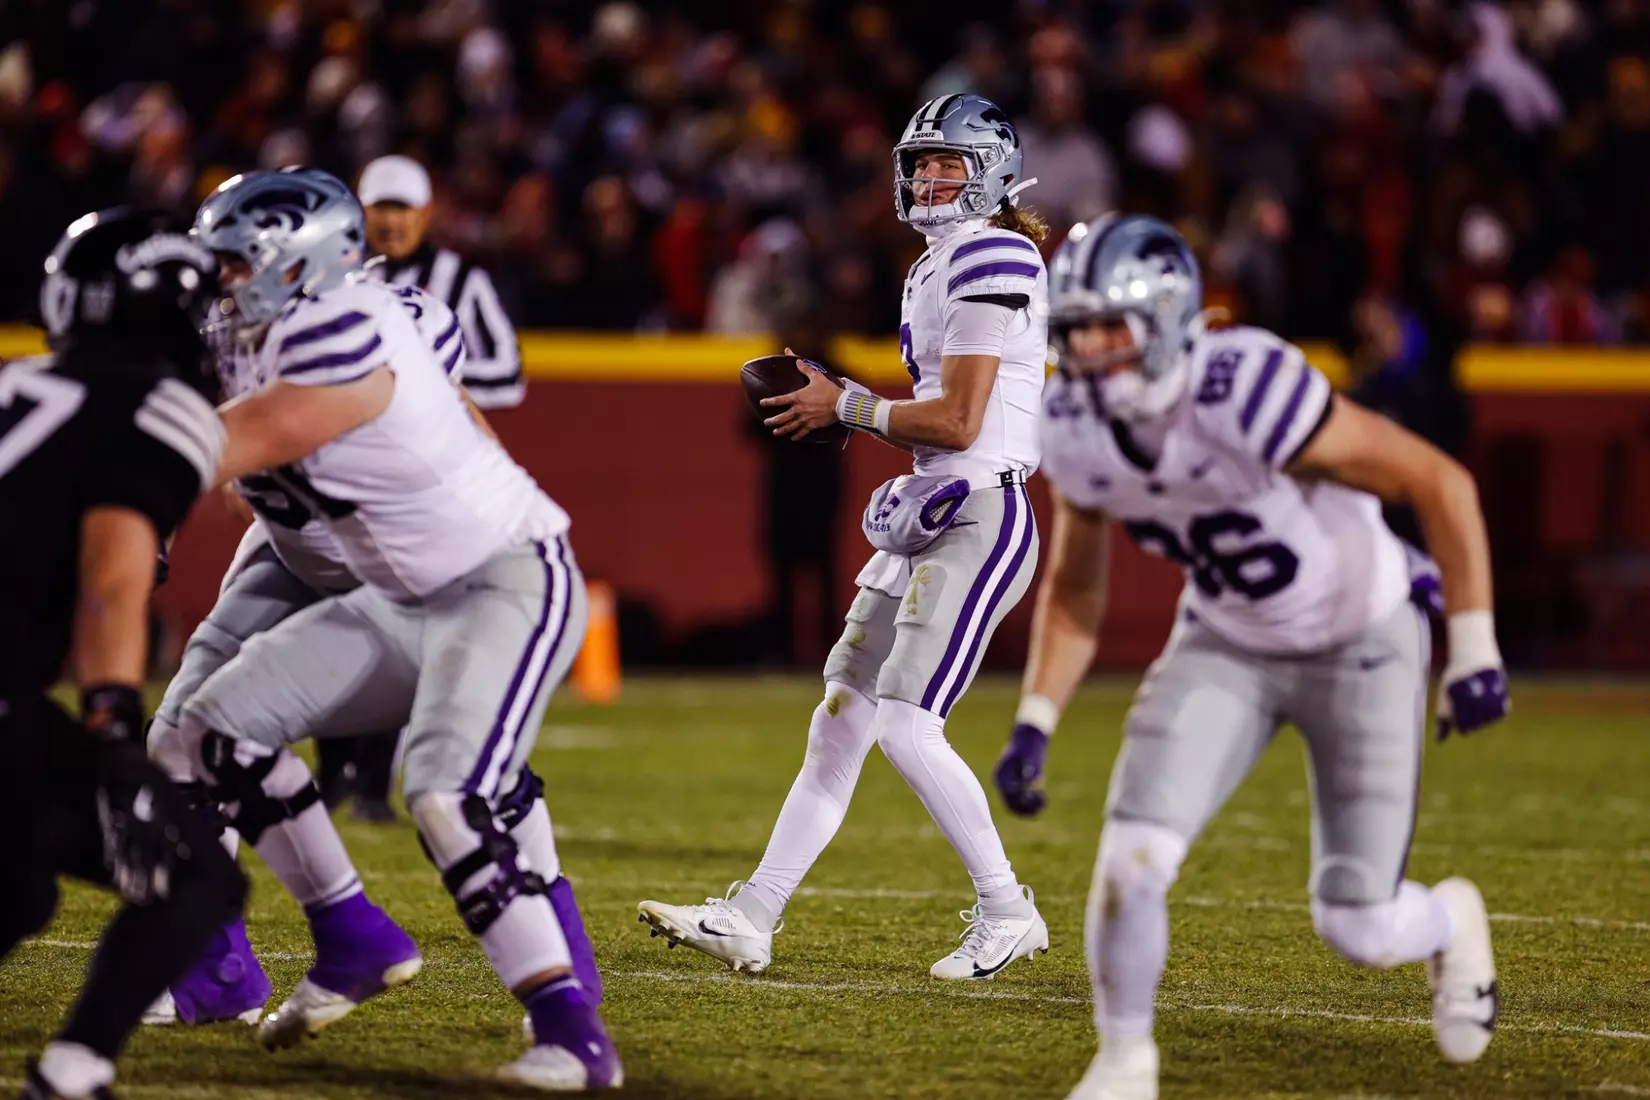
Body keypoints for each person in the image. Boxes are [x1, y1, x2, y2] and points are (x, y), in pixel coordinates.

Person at [990, 214, 1509, 1099]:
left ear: (1165, 319)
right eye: (1072, 330)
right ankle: (1124, 1063)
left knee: (1358, 924)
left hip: (1361, 637)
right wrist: (1036, 717)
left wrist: (1472, 648)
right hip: (1226, 639)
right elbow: (1077, 588)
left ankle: (1449, 918)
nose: (1087, 350)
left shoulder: (1243, 387)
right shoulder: (1074, 423)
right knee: (1131, 859)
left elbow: (1438, 481)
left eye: (1107, 327)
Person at [151, 167, 617, 1089]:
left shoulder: (350, 324)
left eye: (243, 264)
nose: (225, 282)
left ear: (303, 265)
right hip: (382, 583)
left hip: (497, 577)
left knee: (453, 791)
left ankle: (572, 1028)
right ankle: (348, 936)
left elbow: (230, 440)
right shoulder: (233, 328)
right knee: (207, 733)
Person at [637, 94, 1052, 980]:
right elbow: (926, 423)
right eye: (919, 163)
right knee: (840, 719)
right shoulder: (931, 266)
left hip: (983, 511)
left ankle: (1009, 910)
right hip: (930, 508)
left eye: (946, 163)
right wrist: (845, 401)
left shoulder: (997, 252)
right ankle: (753, 915)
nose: (927, 178)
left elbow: (963, 418)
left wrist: (851, 405)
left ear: (992, 173)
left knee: (905, 724)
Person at [0, 208, 246, 1100]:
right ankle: (73, 1075)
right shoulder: (157, 405)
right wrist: (112, 731)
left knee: (19, 889)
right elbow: (110, 579)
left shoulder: (17, 381)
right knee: (197, 880)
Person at [313, 153, 527, 822]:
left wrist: (424, 385)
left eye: (403, 208)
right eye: (381, 207)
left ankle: (374, 779)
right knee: (333, 611)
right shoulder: (331, 273)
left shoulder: (459, 280)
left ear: (426, 213)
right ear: (360, 209)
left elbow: (508, 373)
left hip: (422, 476)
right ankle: (333, 771)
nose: (392, 221)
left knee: (404, 620)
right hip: (346, 468)